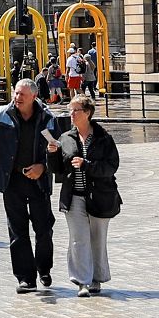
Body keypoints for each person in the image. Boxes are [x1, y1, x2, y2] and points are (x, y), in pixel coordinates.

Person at [0, 78, 58, 295]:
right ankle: (26, 278)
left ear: (33, 97)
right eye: (16, 93)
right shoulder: (3, 113)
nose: (17, 98)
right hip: (13, 180)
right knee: (17, 231)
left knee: (43, 229)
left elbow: (57, 149)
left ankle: (43, 268)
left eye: (22, 95)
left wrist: (43, 167)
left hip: (38, 182)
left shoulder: (47, 118)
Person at [52, 95, 121, 296]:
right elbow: (58, 169)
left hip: (100, 196)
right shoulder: (65, 138)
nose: (71, 115)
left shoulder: (103, 138)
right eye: (70, 111)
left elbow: (111, 167)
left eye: (75, 111)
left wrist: (87, 165)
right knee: (78, 239)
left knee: (97, 239)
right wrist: (51, 153)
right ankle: (82, 281)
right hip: (73, 197)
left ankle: (97, 279)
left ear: (87, 113)